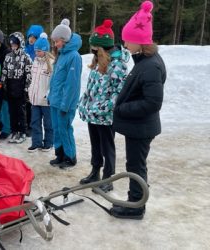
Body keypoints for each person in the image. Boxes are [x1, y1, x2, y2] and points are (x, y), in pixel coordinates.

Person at [110, 1, 166, 219]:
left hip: (141, 127)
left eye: (127, 39)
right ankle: (135, 200)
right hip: (138, 126)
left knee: (136, 166)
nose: (124, 43)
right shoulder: (143, 60)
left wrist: (123, 108)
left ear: (139, 41)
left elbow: (153, 102)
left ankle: (136, 207)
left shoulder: (150, 66)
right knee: (135, 164)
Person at [78, 19, 129, 192]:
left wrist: (104, 106)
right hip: (93, 113)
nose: (91, 48)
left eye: (93, 46)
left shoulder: (117, 66)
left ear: (100, 47)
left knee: (107, 146)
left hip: (106, 115)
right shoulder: (98, 62)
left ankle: (109, 177)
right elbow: (92, 87)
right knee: (95, 145)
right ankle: (95, 172)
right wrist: (85, 102)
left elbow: (120, 93)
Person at [48, 19, 82, 169]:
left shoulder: (74, 56)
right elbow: (55, 79)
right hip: (55, 100)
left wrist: (66, 104)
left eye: (57, 41)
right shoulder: (61, 55)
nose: (55, 45)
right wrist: (50, 96)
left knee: (65, 129)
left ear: (64, 40)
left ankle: (70, 156)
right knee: (56, 128)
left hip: (65, 103)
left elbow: (72, 84)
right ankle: (60, 154)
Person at [1, 32, 33, 144]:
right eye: (12, 44)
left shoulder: (25, 57)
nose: (13, 46)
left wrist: (26, 88)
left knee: (21, 112)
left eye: (15, 44)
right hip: (10, 87)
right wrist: (4, 84)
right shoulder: (8, 56)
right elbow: (4, 71)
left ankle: (22, 132)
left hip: (20, 87)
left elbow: (29, 74)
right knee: (12, 111)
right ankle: (14, 131)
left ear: (20, 44)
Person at [27, 32, 54, 152]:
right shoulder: (35, 62)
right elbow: (33, 80)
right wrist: (30, 91)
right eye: (35, 50)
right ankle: (36, 142)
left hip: (46, 100)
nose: (36, 53)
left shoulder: (52, 63)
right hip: (34, 99)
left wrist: (49, 95)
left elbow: (53, 83)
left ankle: (48, 142)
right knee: (35, 122)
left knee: (48, 123)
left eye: (39, 51)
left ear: (45, 50)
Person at [25, 25, 44, 137]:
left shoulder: (41, 51)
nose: (31, 39)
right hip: (27, 82)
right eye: (30, 37)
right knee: (27, 105)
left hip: (37, 82)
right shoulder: (25, 49)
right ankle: (28, 125)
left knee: (35, 106)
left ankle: (34, 127)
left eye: (34, 37)